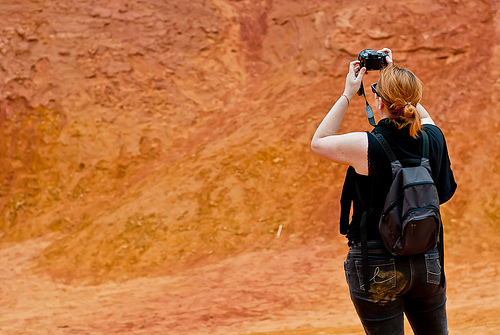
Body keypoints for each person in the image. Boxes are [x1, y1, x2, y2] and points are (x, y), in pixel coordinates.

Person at [310, 48, 457, 334]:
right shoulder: (433, 137)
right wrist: (396, 73)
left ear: (378, 103)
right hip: (426, 259)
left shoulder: (365, 145)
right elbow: (423, 118)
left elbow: (319, 141)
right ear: (412, 99)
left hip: (377, 262)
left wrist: (347, 93)